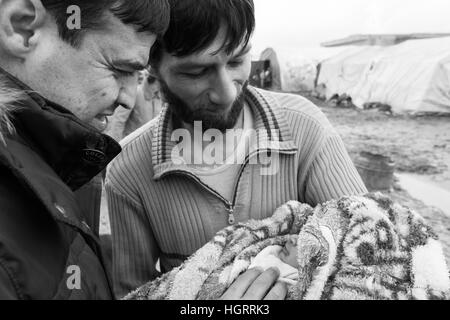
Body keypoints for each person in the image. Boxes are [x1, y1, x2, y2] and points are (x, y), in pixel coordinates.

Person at [0, 0, 284, 301]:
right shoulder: (112, 164)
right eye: (119, 68)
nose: (128, 98)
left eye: (237, 60)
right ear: (23, 26)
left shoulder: (64, 161)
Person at [105, 0, 368, 299]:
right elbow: (135, 293)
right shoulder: (128, 171)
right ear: (153, 67)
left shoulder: (305, 129)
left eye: (237, 61)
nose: (227, 92)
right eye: (196, 72)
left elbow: (374, 255)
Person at [106, 73, 163, 142]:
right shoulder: (135, 93)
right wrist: (116, 147)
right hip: (129, 146)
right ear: (155, 81)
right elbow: (118, 122)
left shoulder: (159, 97)